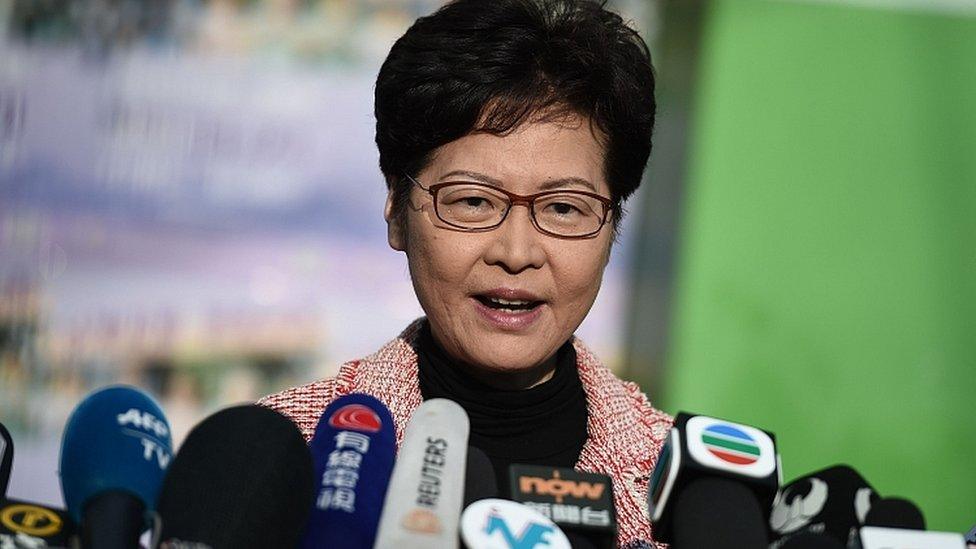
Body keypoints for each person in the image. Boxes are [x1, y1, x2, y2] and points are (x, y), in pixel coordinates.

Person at [259, 0, 673, 546]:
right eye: (473, 201)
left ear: (612, 222)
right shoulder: (286, 454)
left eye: (564, 207)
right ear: (397, 212)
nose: (517, 251)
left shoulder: (690, 493)